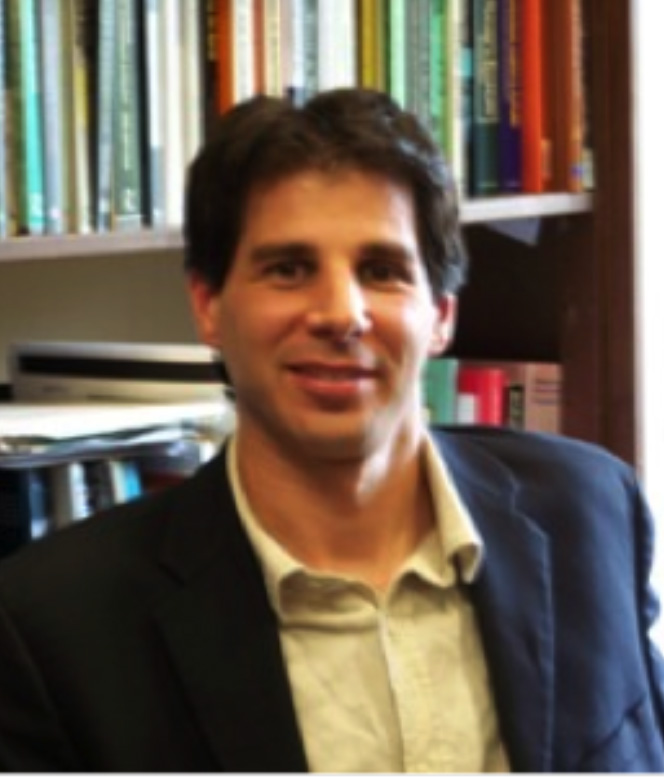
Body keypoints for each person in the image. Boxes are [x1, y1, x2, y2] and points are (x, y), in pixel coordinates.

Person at [0, 88, 663, 773]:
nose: (341, 314)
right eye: (289, 269)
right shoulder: (54, 629)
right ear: (208, 305)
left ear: (441, 312)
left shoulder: (589, 512)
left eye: (381, 271)